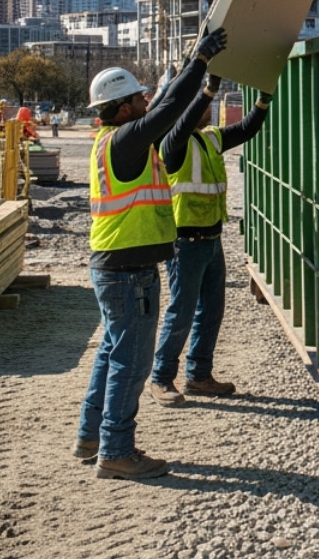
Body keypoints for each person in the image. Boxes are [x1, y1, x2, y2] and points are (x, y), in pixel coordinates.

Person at [73, 27, 227, 481]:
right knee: (131, 361)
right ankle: (116, 450)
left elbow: (162, 107)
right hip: (127, 271)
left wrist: (191, 68)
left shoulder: (111, 141)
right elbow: (167, 111)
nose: (146, 103)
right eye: (138, 100)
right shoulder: (124, 141)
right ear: (123, 109)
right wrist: (199, 62)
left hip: (114, 265)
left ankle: (90, 435)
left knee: (110, 352)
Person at [147, 74, 272, 406]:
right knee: (182, 312)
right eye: (203, 104)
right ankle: (161, 378)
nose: (211, 107)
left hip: (211, 239)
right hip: (185, 243)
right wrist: (206, 90)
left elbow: (246, 130)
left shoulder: (211, 138)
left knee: (211, 311)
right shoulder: (171, 144)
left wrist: (263, 100)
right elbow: (185, 119)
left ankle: (199, 375)